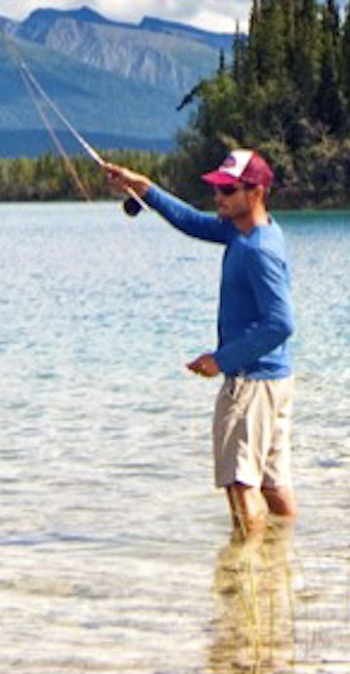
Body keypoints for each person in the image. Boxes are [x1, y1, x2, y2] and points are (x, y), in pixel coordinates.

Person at [100, 146, 295, 531]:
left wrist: (222, 360)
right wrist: (146, 190)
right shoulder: (248, 232)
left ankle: (245, 576)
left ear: (255, 192)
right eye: (217, 189)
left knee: (241, 488)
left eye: (227, 191)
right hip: (275, 382)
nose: (217, 198)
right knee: (273, 487)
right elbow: (191, 221)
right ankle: (283, 564)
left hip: (251, 384)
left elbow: (281, 323)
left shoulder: (258, 251)